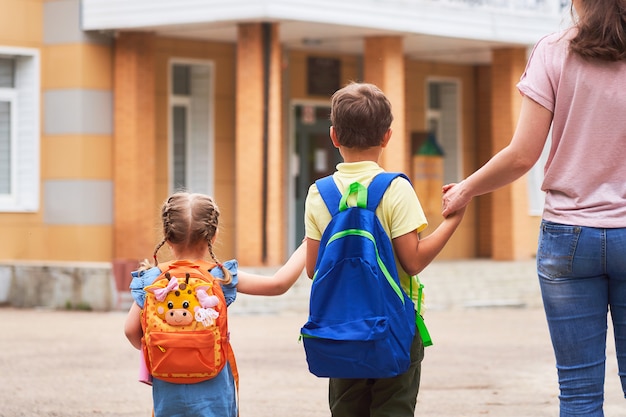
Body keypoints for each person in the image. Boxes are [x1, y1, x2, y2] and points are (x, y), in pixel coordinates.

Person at [441, 1, 626, 416]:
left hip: (568, 238)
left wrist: (467, 189)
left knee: (579, 391)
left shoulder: (554, 50)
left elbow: (523, 155)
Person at [304, 82, 465, 417]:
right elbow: (413, 260)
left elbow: (312, 270)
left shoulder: (319, 194)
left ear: (334, 136)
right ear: (387, 136)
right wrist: (452, 221)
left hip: (341, 328)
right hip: (394, 328)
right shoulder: (395, 189)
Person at [124, 191, 306, 417]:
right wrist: (307, 244)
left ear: (167, 236)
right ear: (214, 235)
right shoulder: (221, 277)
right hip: (214, 381)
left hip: (167, 380)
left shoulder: (151, 279)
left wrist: (161, 348)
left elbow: (131, 330)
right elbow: (278, 285)